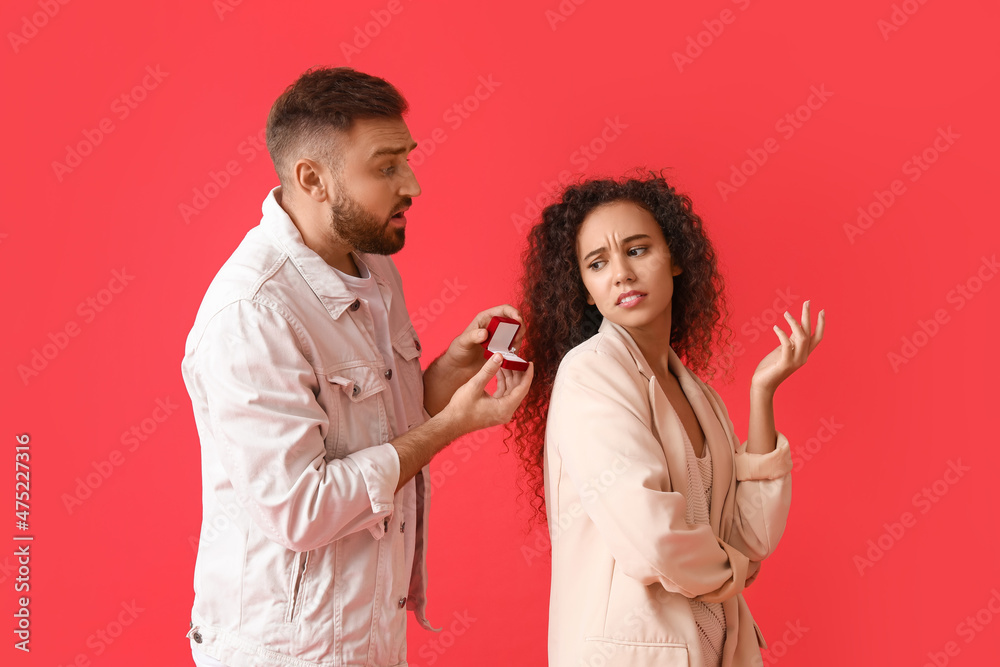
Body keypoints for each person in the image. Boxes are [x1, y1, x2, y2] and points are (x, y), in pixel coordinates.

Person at [180, 67, 533, 667]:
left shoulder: (370, 265)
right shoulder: (253, 314)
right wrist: (454, 426)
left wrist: (452, 368)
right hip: (286, 652)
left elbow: (386, 426)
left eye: (407, 159)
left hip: (366, 635)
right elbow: (303, 508)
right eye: (386, 166)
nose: (413, 184)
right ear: (312, 179)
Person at [507, 174, 824, 666]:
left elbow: (751, 536)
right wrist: (737, 572)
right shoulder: (591, 374)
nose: (621, 274)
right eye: (598, 263)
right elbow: (653, 539)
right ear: (587, 291)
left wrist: (763, 392)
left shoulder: (700, 395)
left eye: (636, 250)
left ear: (675, 259)